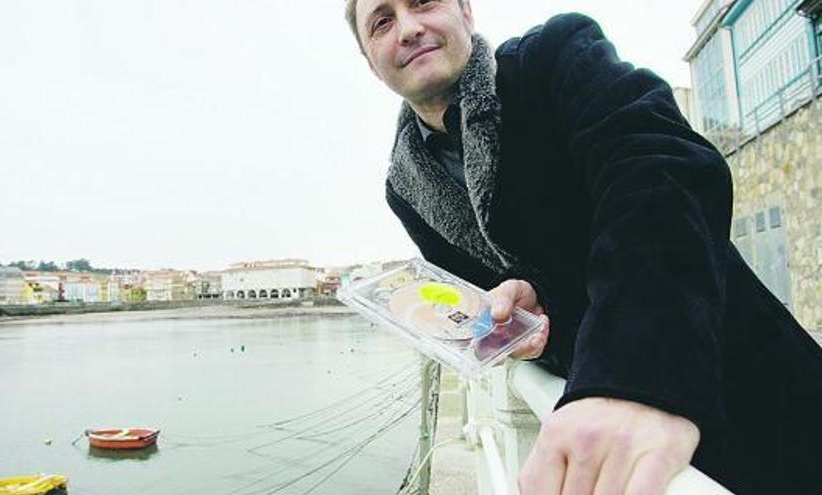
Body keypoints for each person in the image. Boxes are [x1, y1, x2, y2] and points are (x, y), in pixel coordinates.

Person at [343, 0, 822, 493]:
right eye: (382, 22)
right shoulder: (405, 191)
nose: (408, 28)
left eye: (423, 2)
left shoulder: (552, 56)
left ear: (465, 12)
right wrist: (530, 320)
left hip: (744, 372)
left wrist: (634, 375)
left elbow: (660, 170)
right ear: (370, 59)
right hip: (591, 421)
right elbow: (495, 307)